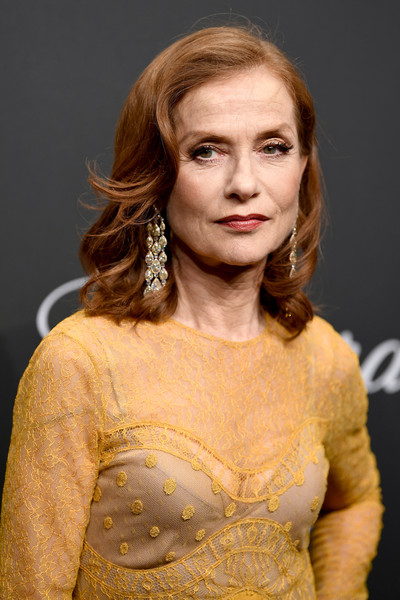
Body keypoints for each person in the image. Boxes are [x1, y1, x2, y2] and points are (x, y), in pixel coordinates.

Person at [0, 24, 382, 600]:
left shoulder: (322, 356)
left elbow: (355, 502)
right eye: (206, 151)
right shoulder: (80, 364)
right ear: (155, 176)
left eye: (273, 148)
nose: (245, 183)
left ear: (303, 165)